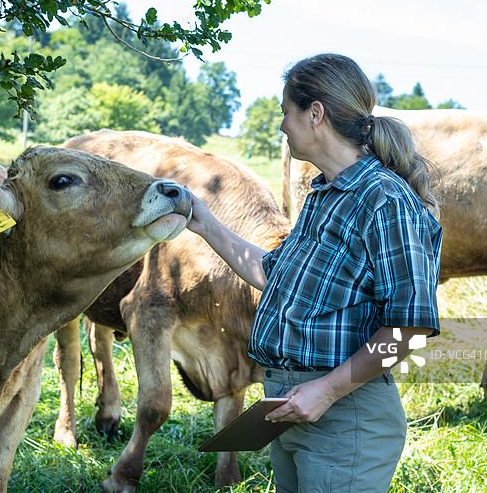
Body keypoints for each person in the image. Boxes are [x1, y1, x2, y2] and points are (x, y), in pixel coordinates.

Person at [187, 53, 442, 493]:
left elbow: (409, 328)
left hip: (343, 417)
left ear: (315, 114)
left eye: (286, 112)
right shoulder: (324, 193)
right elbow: (273, 274)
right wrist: (204, 223)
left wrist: (326, 391)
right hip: (293, 406)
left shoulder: (385, 200)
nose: (282, 125)